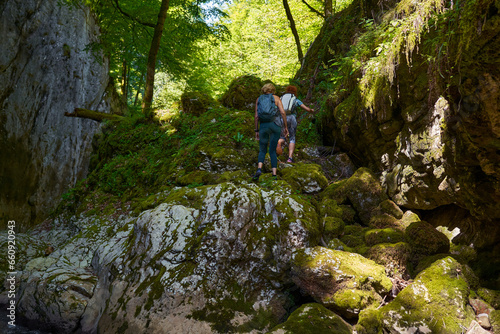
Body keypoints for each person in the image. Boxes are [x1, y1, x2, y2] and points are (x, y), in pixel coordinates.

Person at [252, 83, 289, 181]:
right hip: (275, 125)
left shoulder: (259, 99)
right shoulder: (276, 98)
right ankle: (274, 174)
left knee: (262, 149)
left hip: (263, 126)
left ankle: (259, 169)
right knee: (272, 150)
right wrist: (285, 126)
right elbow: (282, 112)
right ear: (273, 90)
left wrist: (256, 130)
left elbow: (256, 116)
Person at [276, 85, 314, 163]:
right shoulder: (295, 99)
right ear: (295, 92)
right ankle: (290, 158)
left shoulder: (281, 98)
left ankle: (279, 142)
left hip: (281, 118)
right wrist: (311, 110)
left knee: (283, 136)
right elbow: (306, 108)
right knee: (292, 138)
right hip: (291, 118)